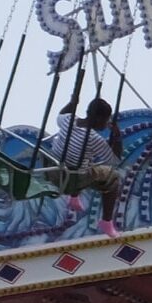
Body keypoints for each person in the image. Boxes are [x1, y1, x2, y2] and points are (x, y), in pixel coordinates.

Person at [44, 98, 123, 236]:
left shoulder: (68, 120)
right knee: (113, 177)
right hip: (72, 180)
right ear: (98, 118)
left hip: (52, 171)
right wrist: (117, 136)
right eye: (106, 120)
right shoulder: (94, 139)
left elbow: (60, 114)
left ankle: (74, 199)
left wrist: (72, 102)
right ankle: (107, 222)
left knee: (83, 161)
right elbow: (114, 160)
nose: (107, 124)